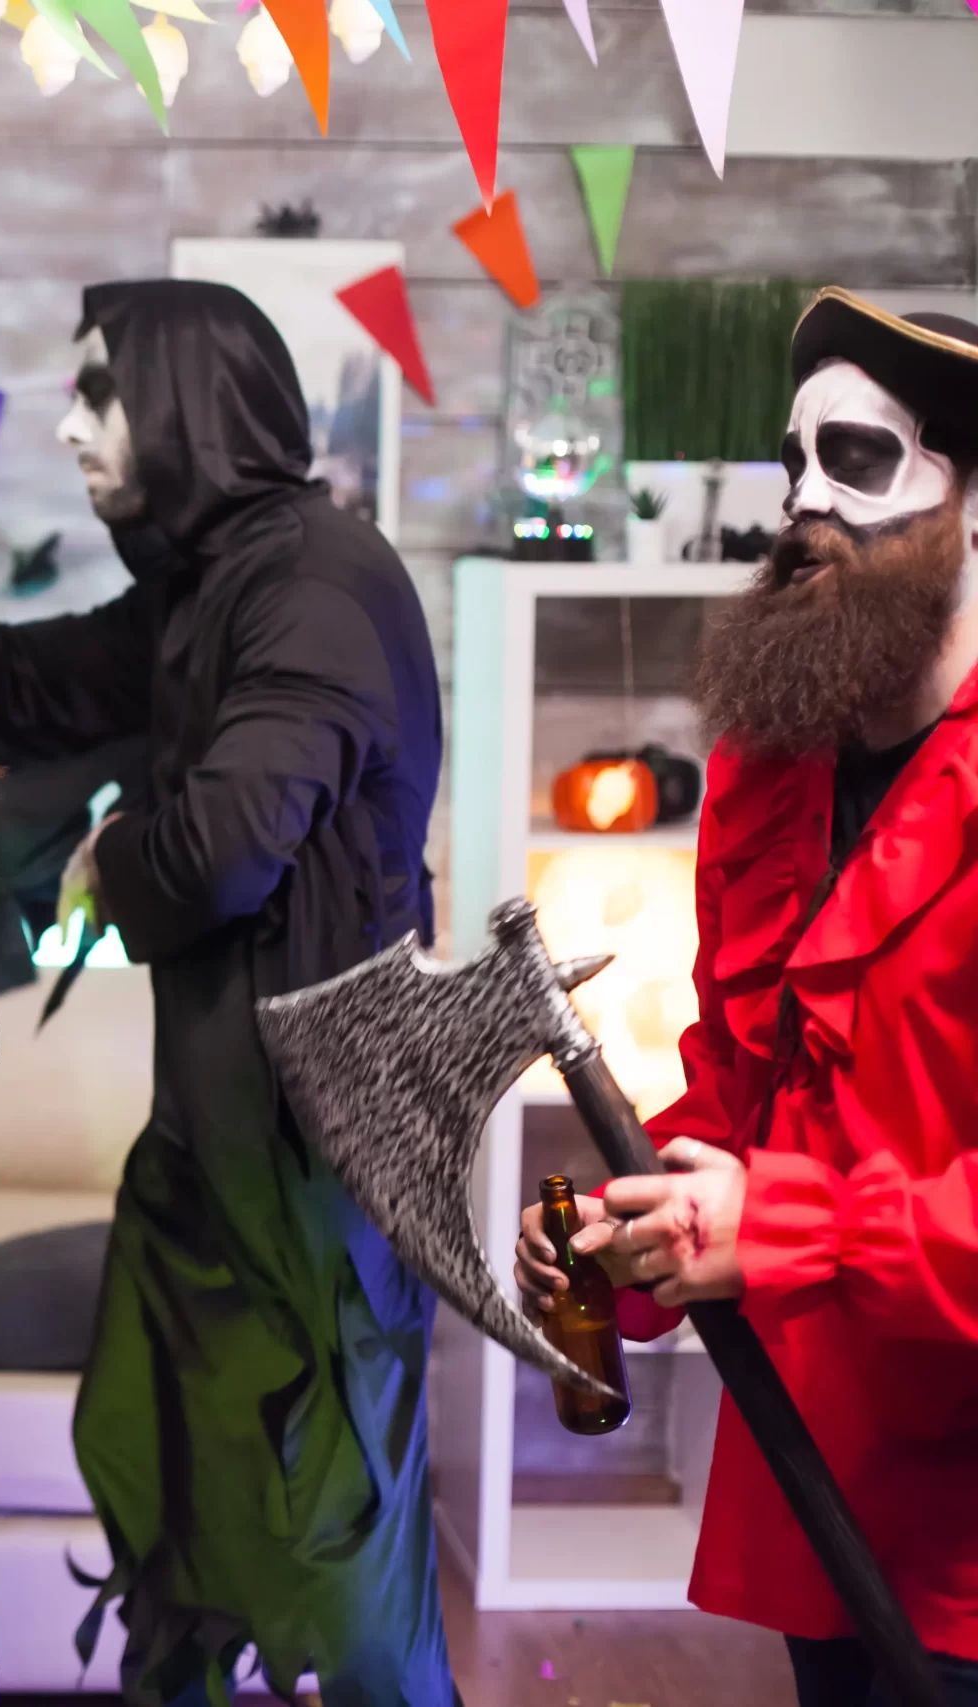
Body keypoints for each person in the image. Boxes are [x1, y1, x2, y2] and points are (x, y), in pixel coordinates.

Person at [0, 280, 449, 1706]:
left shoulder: (315, 586)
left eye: (97, 392)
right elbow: (29, 682)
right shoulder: (211, 583)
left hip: (319, 1183)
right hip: (211, 1165)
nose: (67, 424)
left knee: (334, 1593)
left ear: (185, 406)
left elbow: (220, 855)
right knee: (190, 1556)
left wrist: (112, 851)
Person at [514, 290, 978, 1707]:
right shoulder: (773, 772)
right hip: (818, 1472)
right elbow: (746, 1079)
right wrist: (634, 1218)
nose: (806, 502)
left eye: (860, 458)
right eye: (793, 462)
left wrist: (786, 1226)